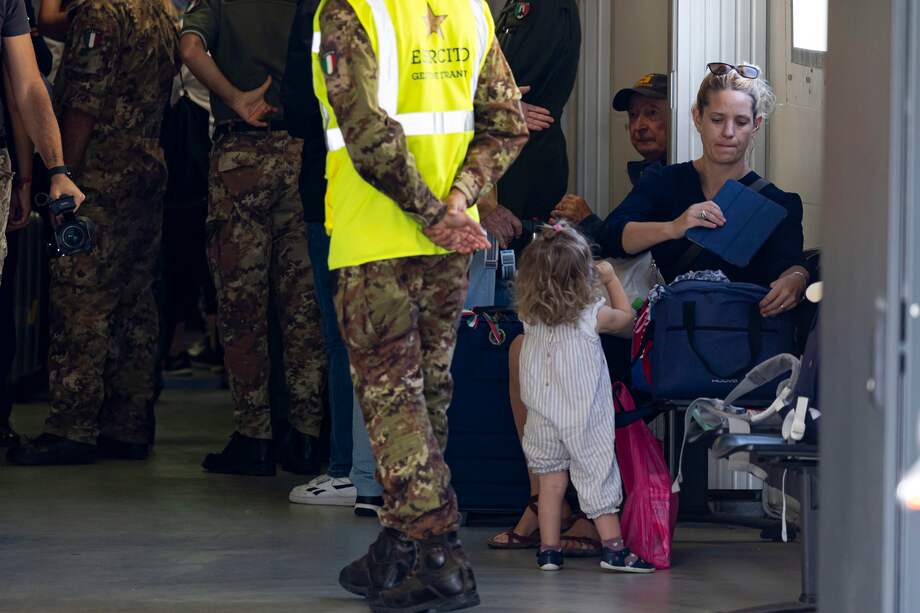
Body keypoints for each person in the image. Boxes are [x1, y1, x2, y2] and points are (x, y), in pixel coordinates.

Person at [313, 0, 527, 609]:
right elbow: (507, 123)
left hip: (376, 240)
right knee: (426, 399)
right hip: (446, 240)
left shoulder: (352, 11)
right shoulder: (469, 10)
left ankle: (438, 553)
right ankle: (399, 544)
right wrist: (458, 198)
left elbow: (367, 135)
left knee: (393, 403)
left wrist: (435, 215)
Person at [8, 0, 173, 466]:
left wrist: (64, 174)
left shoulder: (100, 13)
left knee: (82, 299)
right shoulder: (161, 11)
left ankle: (73, 425)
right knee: (136, 302)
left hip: (99, 175)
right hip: (146, 167)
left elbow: (83, 104)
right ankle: (129, 423)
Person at [179, 0, 327, 477]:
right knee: (303, 304)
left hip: (241, 157)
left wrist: (235, 95)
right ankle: (307, 434)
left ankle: (254, 436)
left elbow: (189, 47)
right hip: (305, 157)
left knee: (242, 307)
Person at [555, 62, 809, 315]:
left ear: (756, 124)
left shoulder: (778, 203)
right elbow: (610, 237)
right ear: (698, 118)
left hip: (741, 340)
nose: (729, 132)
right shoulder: (663, 182)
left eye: (741, 122)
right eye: (717, 119)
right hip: (672, 338)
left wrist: (796, 279)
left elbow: (790, 264)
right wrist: (673, 227)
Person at [281, 0, 382, 515]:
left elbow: (299, 105)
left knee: (343, 338)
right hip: (405, 197)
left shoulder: (323, 14)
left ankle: (346, 468)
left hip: (336, 194)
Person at [514, 222, 654, 573]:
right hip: (584, 417)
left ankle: (549, 551)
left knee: (550, 482)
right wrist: (609, 279)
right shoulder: (591, 315)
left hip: (541, 416)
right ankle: (614, 549)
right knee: (597, 478)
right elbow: (628, 319)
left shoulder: (529, 317)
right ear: (583, 275)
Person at [551, 72, 669, 225]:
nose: (639, 126)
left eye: (652, 113)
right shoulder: (648, 174)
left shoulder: (675, 178)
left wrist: (586, 220)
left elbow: (620, 243)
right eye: (633, 114)